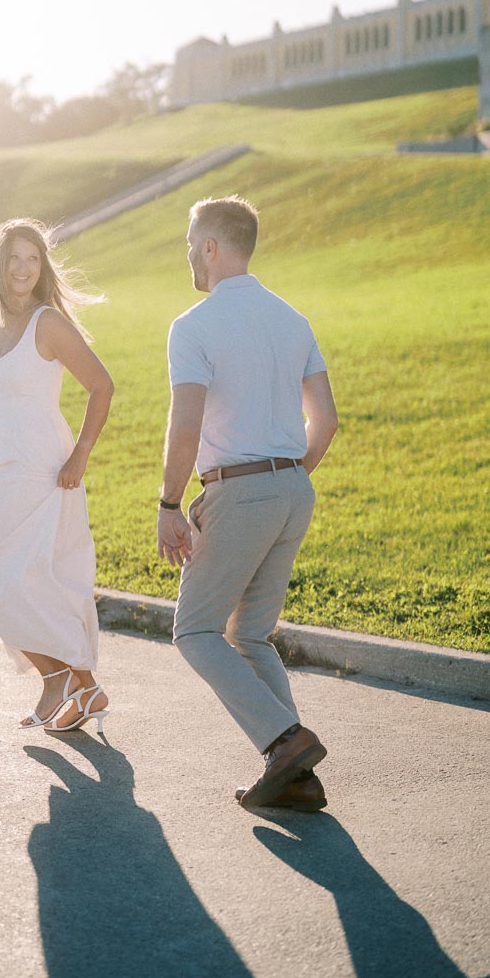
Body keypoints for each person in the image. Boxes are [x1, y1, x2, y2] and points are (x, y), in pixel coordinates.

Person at [157, 195, 338, 810]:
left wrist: (168, 503)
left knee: (197, 631)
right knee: (252, 636)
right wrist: (287, 478)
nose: (187, 253)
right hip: (293, 489)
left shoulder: (194, 325)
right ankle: (297, 776)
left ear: (210, 245)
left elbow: (185, 427)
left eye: (190, 242)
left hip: (239, 491)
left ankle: (286, 740)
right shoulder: (293, 319)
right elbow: (328, 421)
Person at [0, 218, 115, 734]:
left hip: (42, 464)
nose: (22, 268)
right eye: (14, 258)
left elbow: (102, 386)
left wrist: (79, 455)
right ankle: (83, 684)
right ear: (0, 264)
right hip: (6, 458)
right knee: (11, 576)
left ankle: (58, 679)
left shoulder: (49, 323)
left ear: (42, 267)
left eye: (32, 259)